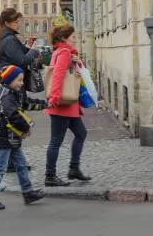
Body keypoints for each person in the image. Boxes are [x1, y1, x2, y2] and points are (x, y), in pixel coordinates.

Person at [0, 65, 48, 210]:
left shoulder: (12, 92)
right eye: (19, 80)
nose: (22, 83)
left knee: (21, 165)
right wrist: (26, 127)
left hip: (11, 137)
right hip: (4, 137)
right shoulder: (7, 95)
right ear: (10, 80)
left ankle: (28, 192)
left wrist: (45, 104)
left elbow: (26, 104)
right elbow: (13, 116)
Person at [0, 8, 42, 173]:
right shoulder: (9, 39)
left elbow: (16, 55)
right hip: (10, 85)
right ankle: (10, 165)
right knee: (12, 122)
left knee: (10, 123)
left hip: (7, 83)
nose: (19, 24)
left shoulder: (6, 37)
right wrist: (34, 50)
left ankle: (15, 164)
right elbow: (22, 61)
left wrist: (27, 47)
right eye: (16, 21)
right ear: (7, 23)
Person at [44, 25, 92, 187]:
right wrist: (55, 97)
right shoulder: (64, 52)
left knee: (81, 133)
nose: (75, 39)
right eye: (72, 36)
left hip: (68, 105)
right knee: (56, 141)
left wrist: (79, 63)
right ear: (64, 38)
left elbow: (72, 74)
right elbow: (58, 75)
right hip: (61, 104)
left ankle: (74, 169)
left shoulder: (61, 52)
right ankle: (50, 176)